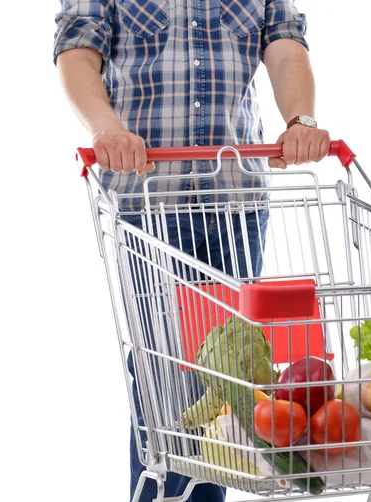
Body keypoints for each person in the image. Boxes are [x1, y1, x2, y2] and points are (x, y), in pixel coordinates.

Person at [53, 1, 330, 501]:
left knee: (225, 382)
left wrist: (301, 120)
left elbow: (285, 42)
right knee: (164, 383)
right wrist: (105, 128)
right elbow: (77, 49)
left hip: (237, 201)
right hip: (147, 203)